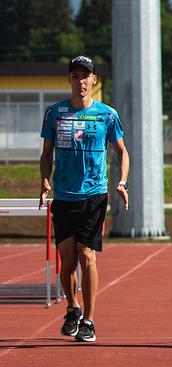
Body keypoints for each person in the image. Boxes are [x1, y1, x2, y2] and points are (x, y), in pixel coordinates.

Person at [38, 55, 130, 343]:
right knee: (66, 260)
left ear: (94, 80)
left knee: (86, 255)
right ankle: (73, 308)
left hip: (93, 193)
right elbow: (46, 153)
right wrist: (44, 180)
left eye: (85, 76)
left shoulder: (107, 114)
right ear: (69, 79)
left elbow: (122, 152)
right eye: (75, 75)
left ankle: (89, 320)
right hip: (64, 195)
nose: (80, 81)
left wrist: (122, 181)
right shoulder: (55, 114)